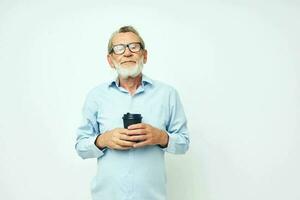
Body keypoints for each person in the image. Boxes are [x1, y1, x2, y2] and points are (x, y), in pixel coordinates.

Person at [75, 25, 190, 200]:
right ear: (110, 60)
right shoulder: (96, 96)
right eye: (119, 49)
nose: (127, 53)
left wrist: (161, 137)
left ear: (145, 55)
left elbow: (183, 144)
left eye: (134, 47)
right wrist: (103, 139)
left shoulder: (167, 94)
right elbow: (81, 147)